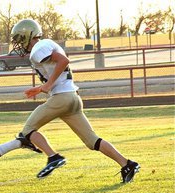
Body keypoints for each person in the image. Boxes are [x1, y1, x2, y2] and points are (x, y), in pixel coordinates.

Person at [10, 19, 140, 183]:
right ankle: (127, 164)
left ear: (26, 35)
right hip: (72, 97)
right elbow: (60, 64)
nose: (17, 43)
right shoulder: (47, 44)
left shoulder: (38, 49)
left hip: (61, 98)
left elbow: (63, 61)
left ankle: (53, 157)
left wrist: (47, 85)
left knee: (27, 131)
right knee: (92, 141)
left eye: (19, 39)